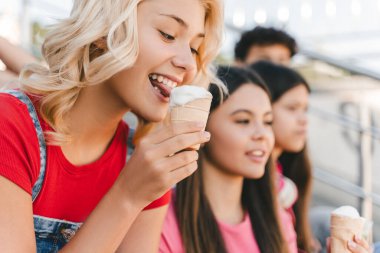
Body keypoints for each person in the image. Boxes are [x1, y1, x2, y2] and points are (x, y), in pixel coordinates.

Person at [0, 0, 224, 252]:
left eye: (194, 48)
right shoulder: (10, 124)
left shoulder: (143, 163)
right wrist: (127, 197)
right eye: (168, 34)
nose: (189, 64)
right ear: (102, 31)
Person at [160, 65, 298, 253]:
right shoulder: (161, 220)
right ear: (201, 126)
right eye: (243, 120)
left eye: (267, 122)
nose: (262, 134)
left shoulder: (278, 220)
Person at [250, 60, 372, 253]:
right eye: (292, 108)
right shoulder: (253, 179)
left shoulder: (283, 174)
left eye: (305, 109)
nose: (303, 120)